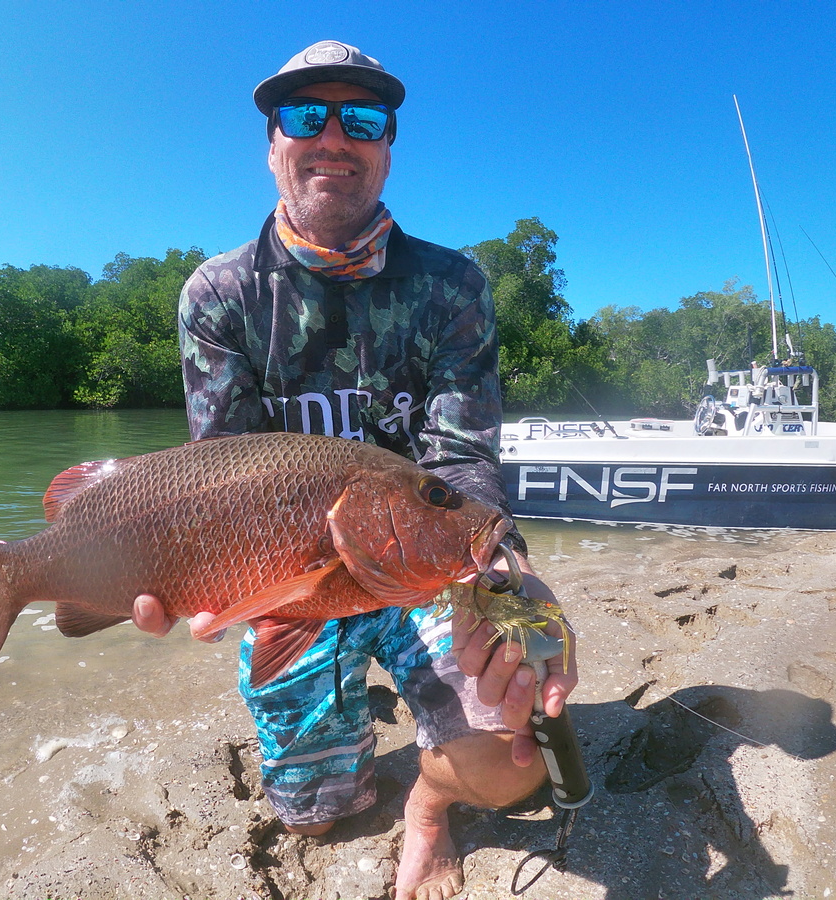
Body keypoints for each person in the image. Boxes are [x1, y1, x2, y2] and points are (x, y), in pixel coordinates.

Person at [132, 40, 577, 900]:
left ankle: (428, 807)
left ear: (385, 147)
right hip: (295, 583)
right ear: (273, 143)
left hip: (424, 569)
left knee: (510, 763)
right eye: (307, 115)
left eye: (362, 119)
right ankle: (342, 721)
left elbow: (462, 461)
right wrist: (170, 577)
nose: (333, 135)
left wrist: (510, 572)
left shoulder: (454, 288)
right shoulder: (217, 296)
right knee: (314, 811)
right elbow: (214, 480)